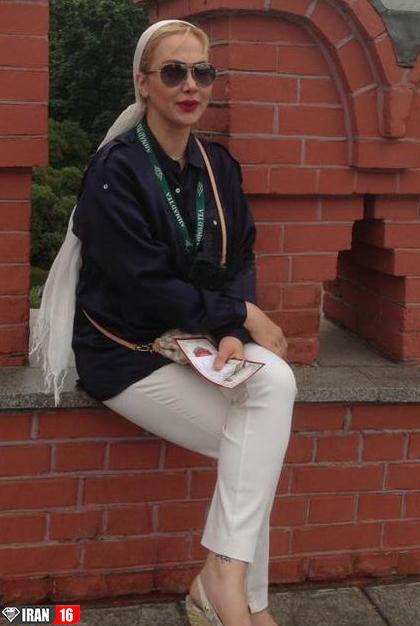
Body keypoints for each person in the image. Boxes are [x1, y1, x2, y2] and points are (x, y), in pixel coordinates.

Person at [32, 18, 297, 626]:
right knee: (256, 449)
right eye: (173, 72)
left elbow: (240, 256)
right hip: (125, 353)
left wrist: (231, 330)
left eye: (202, 72)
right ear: (144, 83)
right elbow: (144, 286)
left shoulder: (218, 166)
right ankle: (240, 600)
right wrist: (241, 314)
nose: (190, 85)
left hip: (197, 340)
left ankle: (222, 585)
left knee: (273, 393)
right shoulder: (115, 172)